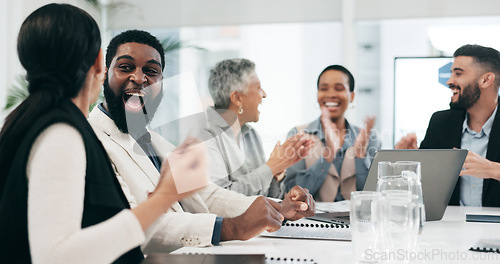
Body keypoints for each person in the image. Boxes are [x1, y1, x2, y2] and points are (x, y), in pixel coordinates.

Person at [0, 4, 206, 264]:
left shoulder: (29, 121)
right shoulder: (61, 134)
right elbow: (56, 256)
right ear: (100, 63)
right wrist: (163, 199)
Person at [88, 30, 315, 253]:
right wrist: (230, 228)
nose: (139, 78)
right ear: (104, 74)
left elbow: (207, 194)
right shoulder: (91, 141)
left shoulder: (157, 142)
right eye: (126, 67)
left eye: (151, 71)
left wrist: (278, 208)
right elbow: (128, 225)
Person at [395, 44, 500, 207]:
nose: (450, 81)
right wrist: (409, 164)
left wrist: (494, 170)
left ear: (486, 80)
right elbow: (424, 187)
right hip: (450, 229)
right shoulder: (440, 123)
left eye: (458, 73)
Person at [201, 58, 314, 198]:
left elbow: (267, 199)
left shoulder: (251, 135)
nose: (264, 94)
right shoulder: (204, 137)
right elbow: (221, 201)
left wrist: (275, 173)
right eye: (258, 87)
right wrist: (270, 168)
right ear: (237, 98)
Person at [284, 65, 381, 202]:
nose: (331, 94)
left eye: (339, 88)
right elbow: (290, 193)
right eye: (324, 89)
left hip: (357, 222)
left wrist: (360, 156)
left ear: (351, 96)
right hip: (312, 223)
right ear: (317, 94)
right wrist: (327, 156)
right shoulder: (298, 135)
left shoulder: (370, 139)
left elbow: (375, 197)